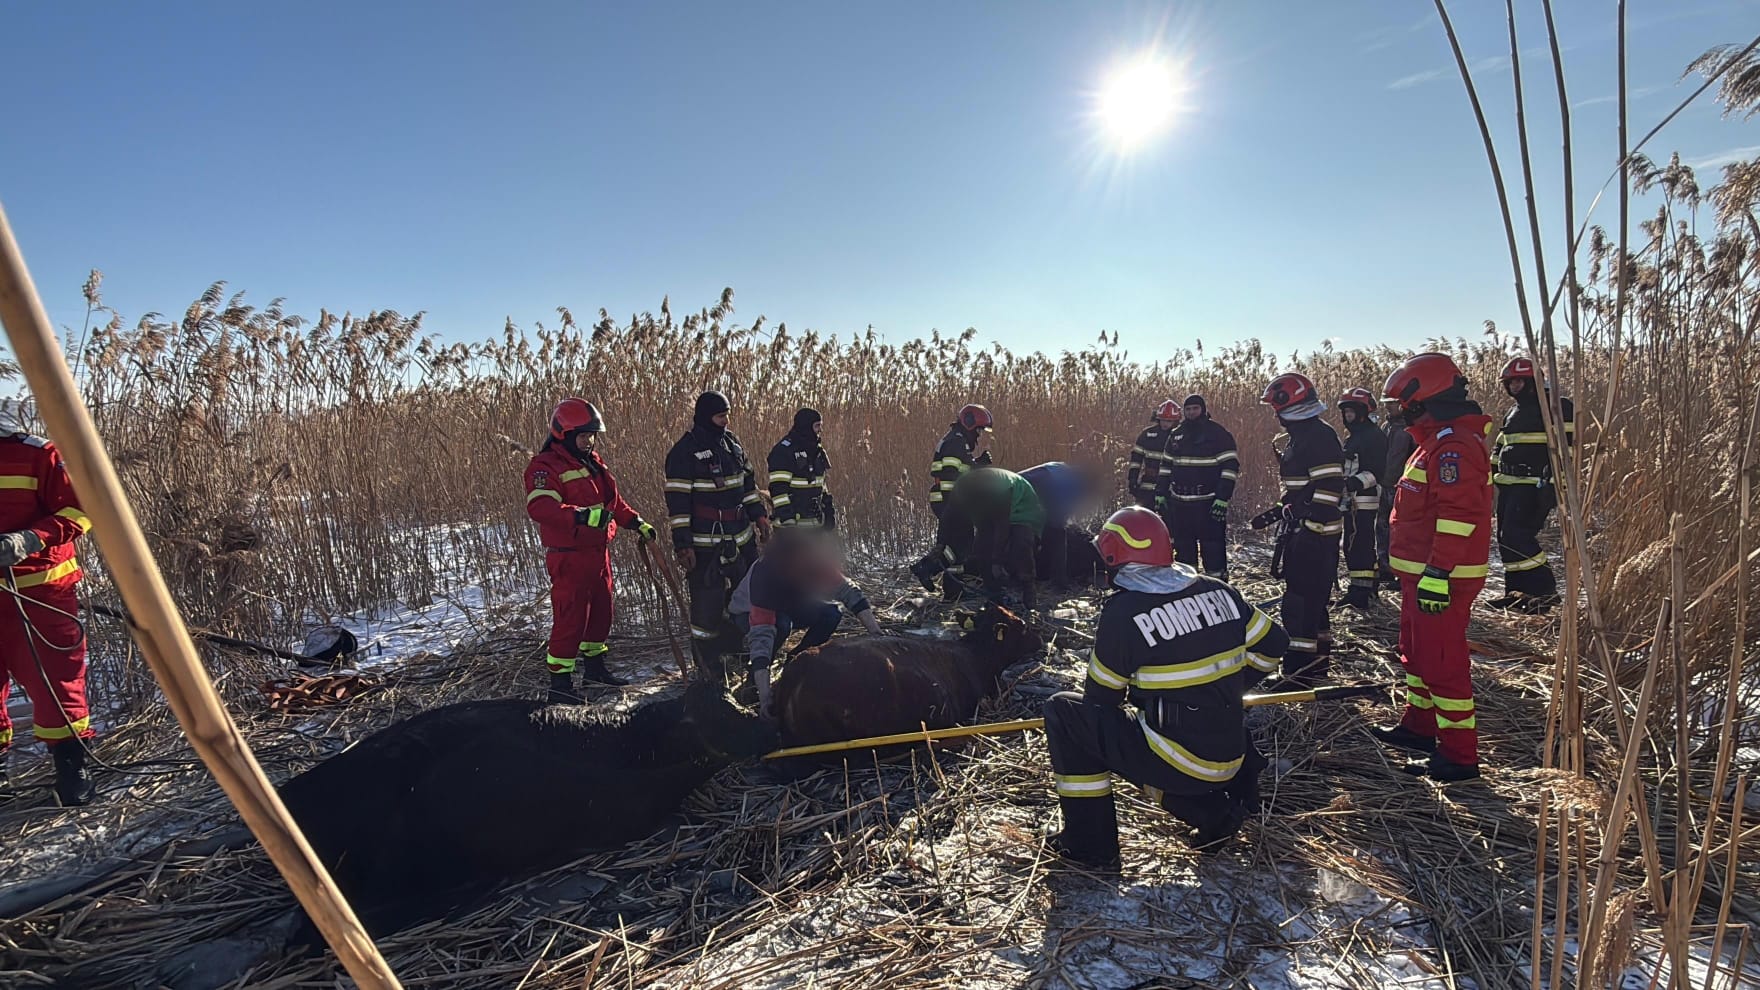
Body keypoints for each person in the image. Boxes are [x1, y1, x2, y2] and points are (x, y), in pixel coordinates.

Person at [1043, 506, 1288, 867]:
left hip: (1181, 763)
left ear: (1116, 560)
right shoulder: (1220, 591)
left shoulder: (1124, 615)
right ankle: (1208, 814)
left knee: (1066, 714)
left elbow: (1099, 702)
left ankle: (1089, 845)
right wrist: (1231, 685)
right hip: (1232, 755)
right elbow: (1275, 644)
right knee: (1149, 740)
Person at [1375, 352, 1494, 782]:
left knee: (1442, 664)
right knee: (1416, 655)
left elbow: (1458, 516)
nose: (1398, 413)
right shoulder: (1433, 442)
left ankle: (1459, 756)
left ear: (1423, 399)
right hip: (1420, 576)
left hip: (1440, 579)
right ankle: (1419, 728)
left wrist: (1439, 574)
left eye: (1401, 405)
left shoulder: (1454, 447)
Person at [523, 399, 657, 700]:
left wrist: (636, 522)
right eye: (584, 435)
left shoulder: (592, 461)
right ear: (565, 434)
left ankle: (595, 670)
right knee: (571, 620)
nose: (589, 441)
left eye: (592, 435)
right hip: (569, 556)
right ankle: (560, 687)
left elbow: (612, 502)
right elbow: (541, 507)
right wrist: (581, 515)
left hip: (598, 553)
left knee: (601, 614)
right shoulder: (544, 467)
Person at [0, 397, 98, 805]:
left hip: (41, 595)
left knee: (57, 682)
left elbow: (81, 510)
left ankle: (72, 769)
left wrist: (30, 538)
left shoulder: (36, 454)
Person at [664, 391, 772, 681]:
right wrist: (683, 545)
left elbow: (748, 485)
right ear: (705, 417)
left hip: (741, 541)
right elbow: (678, 505)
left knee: (743, 601)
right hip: (705, 547)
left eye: (727, 415)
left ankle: (736, 655)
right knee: (706, 609)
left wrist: (759, 516)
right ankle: (707, 666)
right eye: (720, 416)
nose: (726, 421)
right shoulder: (683, 453)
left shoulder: (732, 445)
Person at [730, 528, 887, 715]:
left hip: (791, 605)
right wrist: (765, 698)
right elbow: (761, 638)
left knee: (832, 614)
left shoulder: (814, 562)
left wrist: (876, 633)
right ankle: (752, 685)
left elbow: (849, 592)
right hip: (745, 612)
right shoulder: (765, 576)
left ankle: (795, 663)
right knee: (781, 625)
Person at [1251, 373, 1345, 679]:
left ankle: (1298, 673)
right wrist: (1278, 512)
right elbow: (1301, 491)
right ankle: (1317, 667)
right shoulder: (1303, 435)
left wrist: (1311, 528)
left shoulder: (1317, 436)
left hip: (1316, 536)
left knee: (1300, 605)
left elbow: (1330, 486)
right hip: (1306, 531)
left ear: (1286, 405)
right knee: (1312, 603)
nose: (1274, 415)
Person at [1489, 357, 1575, 612]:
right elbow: (1501, 445)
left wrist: (1554, 484)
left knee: (1519, 536)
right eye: (1510, 382)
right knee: (1505, 539)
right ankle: (1516, 593)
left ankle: (1544, 592)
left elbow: (1567, 448)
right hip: (1508, 485)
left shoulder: (1556, 407)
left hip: (1534, 486)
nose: (1514, 386)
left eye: (1519, 381)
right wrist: (1492, 471)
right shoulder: (1513, 411)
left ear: (1532, 382)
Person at [913, 467, 1044, 610]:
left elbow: (1002, 526)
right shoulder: (961, 488)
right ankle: (994, 592)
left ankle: (1028, 590)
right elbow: (948, 517)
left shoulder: (999, 490)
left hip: (1022, 507)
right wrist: (940, 544)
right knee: (981, 546)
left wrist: (996, 562)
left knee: (1021, 543)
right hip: (989, 507)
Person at [1160, 394, 1240, 580]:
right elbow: (1166, 466)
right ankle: (1188, 587)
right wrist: (1160, 492)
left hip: (1208, 502)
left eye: (1195, 408)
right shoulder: (1176, 434)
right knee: (1183, 548)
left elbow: (1230, 467)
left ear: (1202, 409)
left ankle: (1218, 585)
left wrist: (1222, 497)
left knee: (1212, 547)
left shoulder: (1218, 434)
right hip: (1180, 503)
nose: (1191, 412)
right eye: (1187, 409)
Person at [1337, 388, 1390, 609]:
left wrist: (1351, 483)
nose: (1347, 416)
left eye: (1351, 411)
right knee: (1354, 544)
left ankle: (1360, 592)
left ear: (1362, 412)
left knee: (1359, 544)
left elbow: (1377, 470)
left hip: (1365, 500)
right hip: (1352, 500)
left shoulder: (1373, 436)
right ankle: (1368, 588)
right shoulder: (1355, 436)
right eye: (1345, 411)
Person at [1020, 461, 1095, 593]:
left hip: (1023, 489)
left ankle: (1032, 575)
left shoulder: (1061, 468)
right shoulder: (1073, 485)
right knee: (1058, 534)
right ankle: (1058, 582)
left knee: (1043, 529)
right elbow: (1061, 516)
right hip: (1036, 487)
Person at [766, 408, 836, 530]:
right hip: (792, 529)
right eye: (817, 426)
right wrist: (788, 521)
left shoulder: (816, 450)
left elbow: (821, 483)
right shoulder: (784, 451)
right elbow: (778, 489)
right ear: (806, 427)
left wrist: (828, 510)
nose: (820, 430)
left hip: (815, 525)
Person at [928, 404, 994, 517]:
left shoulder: (957, 441)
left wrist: (979, 463)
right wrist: (952, 508)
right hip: (947, 501)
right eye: (978, 430)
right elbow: (949, 476)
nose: (978, 435)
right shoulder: (955, 443)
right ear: (969, 423)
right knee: (957, 534)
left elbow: (961, 469)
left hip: (948, 502)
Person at [1378, 398, 1413, 590]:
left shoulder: (1411, 428)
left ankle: (1402, 574)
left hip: (1402, 488)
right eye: (1387, 402)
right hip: (1384, 485)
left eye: (1393, 402)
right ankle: (1385, 568)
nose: (1388, 406)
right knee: (1382, 527)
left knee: (1401, 532)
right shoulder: (1386, 426)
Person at [1126, 399, 1180, 511]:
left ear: (1176, 421)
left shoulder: (1180, 436)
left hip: (1170, 489)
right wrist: (1133, 479)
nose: (1165, 423)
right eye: (1163, 420)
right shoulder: (1147, 435)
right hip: (1147, 486)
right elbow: (1136, 459)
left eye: (1169, 421)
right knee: (1142, 518)